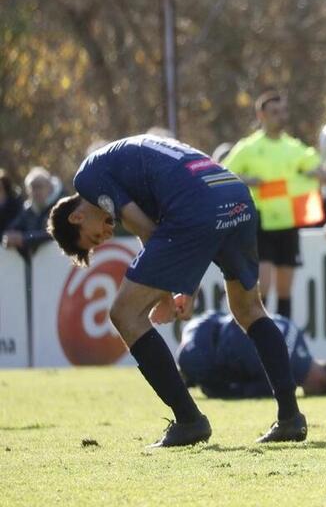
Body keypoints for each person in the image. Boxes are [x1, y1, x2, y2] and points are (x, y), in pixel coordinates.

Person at [46, 134, 307, 446]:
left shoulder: (88, 177)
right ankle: (291, 418)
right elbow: (176, 234)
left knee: (125, 314)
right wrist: (185, 288)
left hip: (198, 206)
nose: (105, 235)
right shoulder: (122, 168)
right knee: (249, 310)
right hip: (235, 194)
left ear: (76, 217)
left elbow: (149, 231)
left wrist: (167, 297)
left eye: (92, 238)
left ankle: (189, 420)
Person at [224, 91, 323, 319]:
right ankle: (261, 335)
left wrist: (315, 173)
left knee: (285, 288)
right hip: (261, 222)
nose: (281, 117)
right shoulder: (248, 147)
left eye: (283, 112)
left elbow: (318, 166)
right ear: (261, 115)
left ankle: (284, 339)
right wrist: (247, 180)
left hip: (288, 222)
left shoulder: (294, 147)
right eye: (274, 112)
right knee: (264, 284)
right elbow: (223, 172)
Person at [178, 311, 326, 399]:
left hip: (203, 321)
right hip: (195, 356)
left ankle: (187, 377)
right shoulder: (283, 380)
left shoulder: (296, 330)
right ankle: (188, 377)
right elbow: (232, 392)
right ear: (321, 383)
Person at [2, 166, 63, 258]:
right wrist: (9, 236)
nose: (36, 191)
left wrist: (23, 239)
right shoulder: (28, 209)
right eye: (32, 187)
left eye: (39, 186)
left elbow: (54, 233)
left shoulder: (60, 206)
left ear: (49, 187)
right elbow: (13, 227)